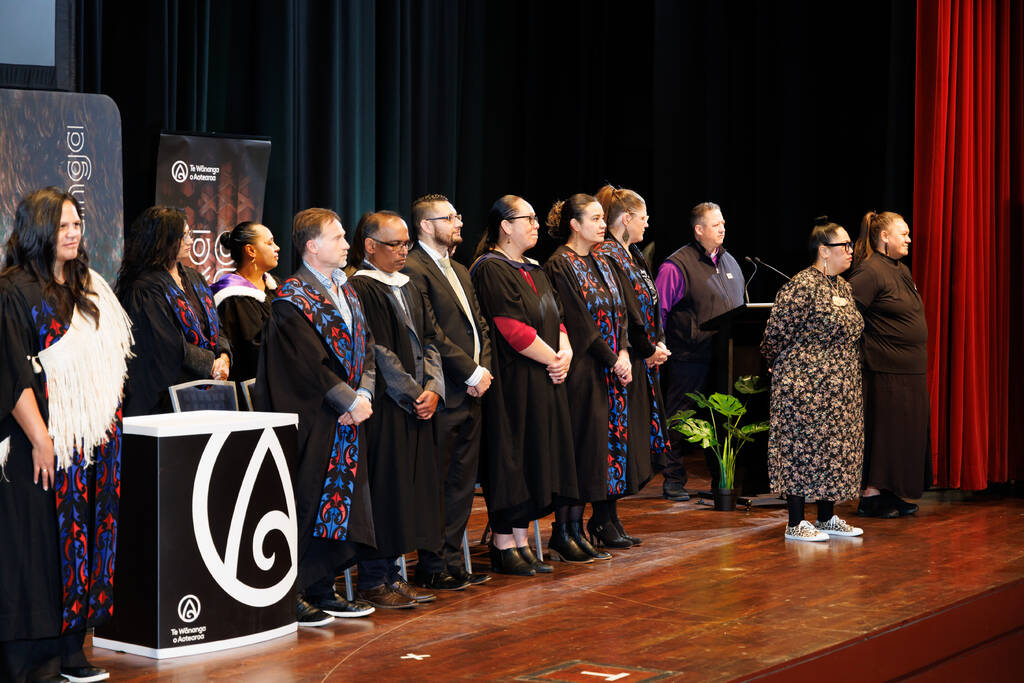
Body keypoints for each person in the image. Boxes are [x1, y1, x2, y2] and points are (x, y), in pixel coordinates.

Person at [0, 187, 133, 683]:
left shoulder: (91, 286)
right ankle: (32, 662)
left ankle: (71, 649)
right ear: (38, 230)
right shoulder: (13, 289)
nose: (73, 233)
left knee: (86, 545)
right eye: (61, 226)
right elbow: (11, 372)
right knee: (36, 551)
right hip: (39, 443)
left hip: (92, 445)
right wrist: (40, 438)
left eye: (76, 223)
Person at [256, 207, 376, 625]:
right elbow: (308, 365)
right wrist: (347, 401)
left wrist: (363, 393)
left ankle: (322, 586)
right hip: (313, 420)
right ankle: (293, 592)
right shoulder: (292, 299)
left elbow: (368, 350)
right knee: (307, 502)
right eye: (339, 237)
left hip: (346, 417)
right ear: (312, 246)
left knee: (337, 503)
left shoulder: (348, 290)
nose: (347, 243)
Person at [470, 195, 577, 575]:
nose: (536, 224)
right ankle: (503, 544)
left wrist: (564, 353)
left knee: (535, 457)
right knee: (512, 459)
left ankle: (522, 539)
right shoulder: (490, 269)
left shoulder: (534, 267)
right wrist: (554, 359)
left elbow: (557, 316)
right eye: (527, 218)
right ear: (505, 226)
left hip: (545, 377)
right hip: (514, 384)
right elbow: (513, 329)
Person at [350, 211, 445, 608]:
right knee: (386, 491)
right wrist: (412, 393)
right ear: (370, 246)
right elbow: (377, 351)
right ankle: (374, 579)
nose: (403, 250)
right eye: (394, 244)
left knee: (407, 492)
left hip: (418, 405)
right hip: (388, 409)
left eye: (406, 243)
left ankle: (393, 574)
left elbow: (430, 339)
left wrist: (434, 388)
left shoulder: (409, 284)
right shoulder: (362, 287)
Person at [404, 194, 493, 589]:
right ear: (426, 225)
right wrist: (470, 372)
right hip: (444, 391)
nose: (459, 222)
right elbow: (430, 332)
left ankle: (455, 561)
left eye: (458, 215)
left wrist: (484, 370)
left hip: (472, 391)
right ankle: (432, 565)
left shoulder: (460, 268)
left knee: (461, 483)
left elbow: (481, 326)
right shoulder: (412, 266)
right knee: (437, 483)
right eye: (449, 217)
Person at [760, 217, 865, 542]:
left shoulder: (842, 286)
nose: (850, 251)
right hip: (804, 387)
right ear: (823, 251)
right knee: (801, 449)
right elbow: (773, 335)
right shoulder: (801, 286)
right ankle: (795, 521)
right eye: (843, 245)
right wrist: (784, 366)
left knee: (832, 450)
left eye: (850, 245)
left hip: (840, 388)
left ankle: (826, 516)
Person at [543, 193, 630, 563]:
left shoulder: (603, 262)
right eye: (594, 218)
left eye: (602, 218)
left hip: (610, 372)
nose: (601, 224)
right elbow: (578, 322)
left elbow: (621, 310)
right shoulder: (560, 264)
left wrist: (624, 351)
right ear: (574, 225)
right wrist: (612, 358)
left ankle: (583, 528)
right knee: (579, 448)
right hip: (583, 371)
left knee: (600, 451)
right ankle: (564, 530)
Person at [591, 185, 672, 546]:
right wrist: (646, 347)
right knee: (614, 440)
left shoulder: (633, 253)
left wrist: (657, 345)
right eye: (643, 217)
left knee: (630, 441)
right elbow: (626, 310)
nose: (647, 223)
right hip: (620, 360)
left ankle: (613, 517)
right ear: (626, 219)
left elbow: (649, 305)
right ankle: (602, 519)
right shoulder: (607, 253)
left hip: (642, 360)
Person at [655, 202, 744, 501]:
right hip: (688, 357)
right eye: (715, 224)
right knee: (680, 418)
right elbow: (658, 312)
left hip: (726, 358)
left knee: (721, 421)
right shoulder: (676, 266)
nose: (722, 228)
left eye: (723, 223)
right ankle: (673, 479)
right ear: (699, 229)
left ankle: (722, 478)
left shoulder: (731, 262)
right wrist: (659, 346)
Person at [848, 211, 929, 518]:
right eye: (903, 233)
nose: (909, 238)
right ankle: (870, 496)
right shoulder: (870, 271)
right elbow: (847, 314)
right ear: (884, 237)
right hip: (883, 369)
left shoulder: (900, 269)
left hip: (909, 370)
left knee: (903, 434)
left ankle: (893, 492)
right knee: (882, 435)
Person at [116, 207, 232, 416]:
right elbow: (165, 345)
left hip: (205, 391)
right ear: (163, 241)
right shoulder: (144, 287)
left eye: (188, 234)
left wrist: (223, 357)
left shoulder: (194, 278)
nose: (190, 241)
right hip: (165, 399)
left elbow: (217, 325)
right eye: (183, 236)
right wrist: (210, 364)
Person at [211, 221, 280, 387]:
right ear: (250, 250)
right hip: (253, 391)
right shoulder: (233, 296)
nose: (276, 247)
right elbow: (253, 350)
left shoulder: (276, 286)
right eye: (269, 243)